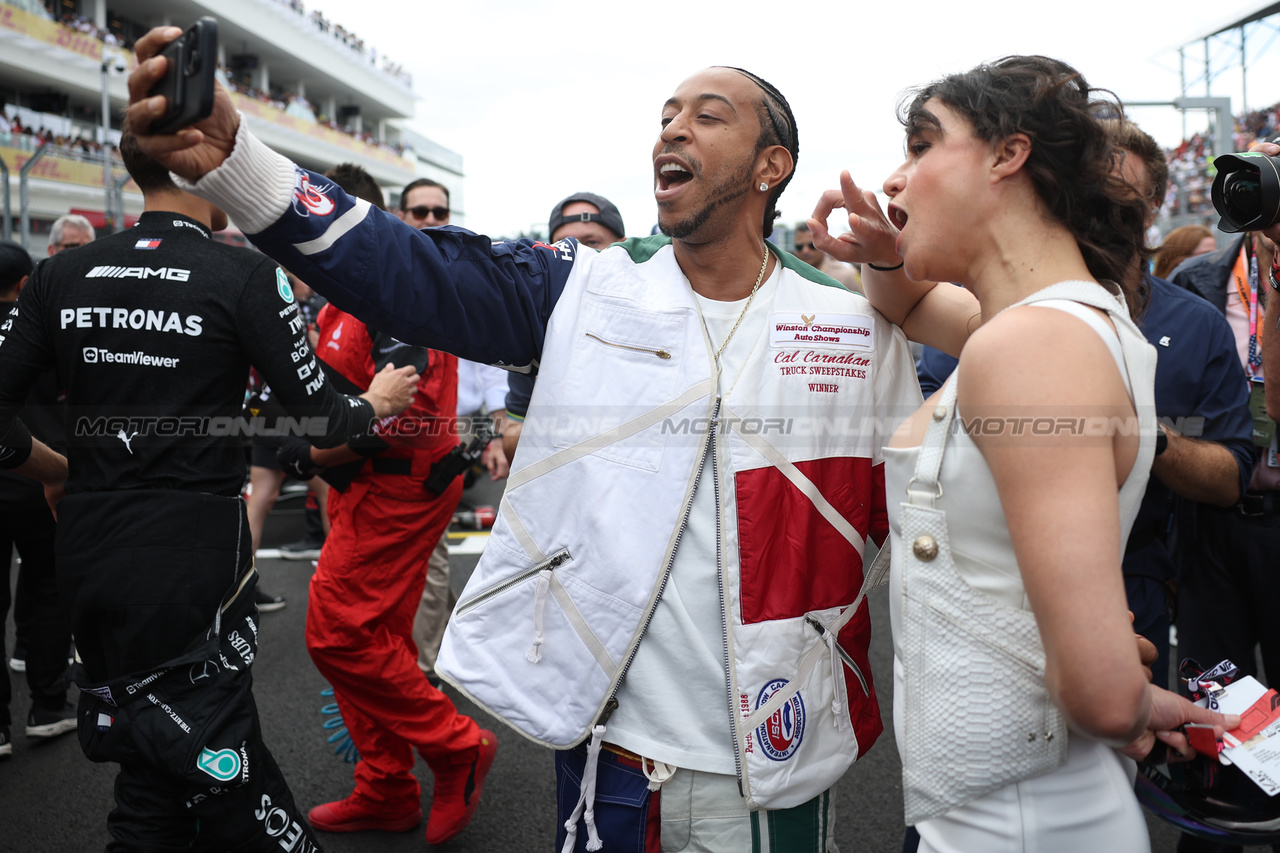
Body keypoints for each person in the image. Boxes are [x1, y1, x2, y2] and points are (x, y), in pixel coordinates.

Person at [127, 38, 922, 850]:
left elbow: (927, 519)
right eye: (665, 117)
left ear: (770, 166)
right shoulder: (585, 284)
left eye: (706, 117)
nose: (671, 131)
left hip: (779, 756)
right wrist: (239, 164)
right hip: (607, 747)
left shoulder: (852, 323)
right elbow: (412, 270)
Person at [809, 56, 1234, 852]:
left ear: (1010, 154)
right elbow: (903, 300)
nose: (895, 180)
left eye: (922, 144)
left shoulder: (1032, 341)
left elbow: (1105, 697)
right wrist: (879, 248)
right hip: (1009, 808)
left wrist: (1134, 700)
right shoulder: (1054, 320)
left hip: (1023, 823)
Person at [0, 127, 418, 851]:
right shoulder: (245, 275)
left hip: (90, 545)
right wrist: (377, 402)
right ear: (200, 170)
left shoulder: (58, 275)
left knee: (146, 746)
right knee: (215, 753)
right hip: (193, 552)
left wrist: (60, 471)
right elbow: (320, 410)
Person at [277, 161, 498, 846]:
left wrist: (314, 455)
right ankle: (386, 786)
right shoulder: (342, 294)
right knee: (375, 635)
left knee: (337, 631)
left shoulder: (389, 288)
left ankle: (455, 743)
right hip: (368, 484)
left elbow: (402, 416)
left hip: (400, 485)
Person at [0, 239, 75, 754]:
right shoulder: (42, 325)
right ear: (27, 284)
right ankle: (48, 704)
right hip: (43, 473)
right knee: (49, 582)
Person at [502, 191, 627, 460]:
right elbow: (511, 440)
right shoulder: (537, 332)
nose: (580, 256)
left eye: (592, 242)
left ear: (623, 245)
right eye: (565, 247)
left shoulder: (663, 315)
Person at [793, 221, 861, 292]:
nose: (805, 251)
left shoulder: (845, 275)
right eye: (799, 247)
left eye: (812, 246)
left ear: (822, 245)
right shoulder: (790, 275)